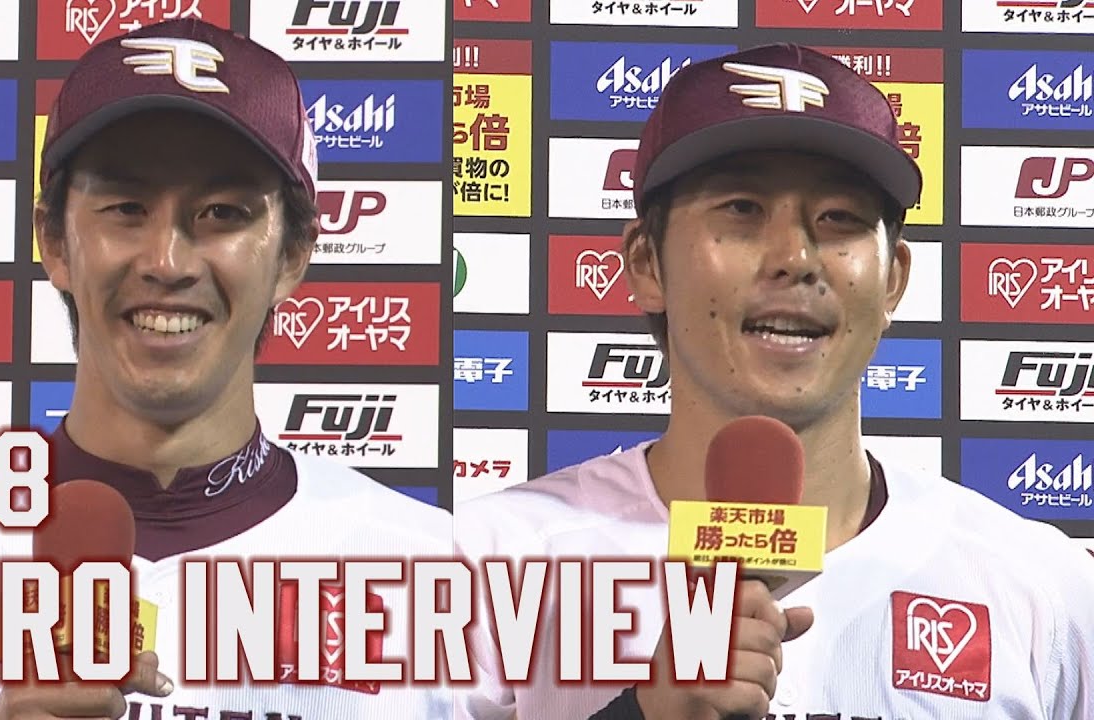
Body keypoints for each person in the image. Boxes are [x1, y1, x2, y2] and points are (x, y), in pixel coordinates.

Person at [0, 18, 453, 720]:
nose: (167, 262)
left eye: (222, 212)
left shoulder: (435, 576)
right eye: (126, 208)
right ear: (54, 241)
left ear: (293, 254)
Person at [454, 43, 1094, 720]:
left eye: (839, 218)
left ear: (893, 280)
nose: (795, 256)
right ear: (646, 264)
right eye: (741, 208)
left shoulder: (1044, 588)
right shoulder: (483, 567)